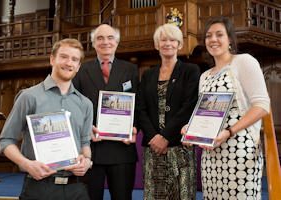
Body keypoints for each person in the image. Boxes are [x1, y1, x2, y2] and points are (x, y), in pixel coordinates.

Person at [181, 17, 270, 200]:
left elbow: (262, 105)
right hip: (211, 155)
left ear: (230, 39)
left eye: (219, 34)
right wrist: (190, 129)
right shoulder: (204, 76)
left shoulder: (244, 62)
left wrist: (229, 132)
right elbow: (205, 113)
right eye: (208, 36)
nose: (213, 39)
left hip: (240, 152)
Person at [0, 38, 93, 200]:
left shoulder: (85, 104)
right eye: (63, 57)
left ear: (78, 66)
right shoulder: (29, 97)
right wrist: (27, 164)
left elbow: (85, 144)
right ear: (52, 59)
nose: (69, 63)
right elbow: (5, 141)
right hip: (39, 188)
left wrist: (87, 161)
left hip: (77, 189)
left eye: (74, 59)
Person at [72, 24, 139, 200]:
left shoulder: (131, 70)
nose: (105, 42)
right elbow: (73, 107)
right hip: (91, 150)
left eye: (110, 37)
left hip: (122, 150)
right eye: (100, 38)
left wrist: (135, 128)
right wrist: (86, 129)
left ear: (117, 42)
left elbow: (138, 104)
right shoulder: (81, 70)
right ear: (93, 43)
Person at [137, 23, 200, 200]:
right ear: (157, 45)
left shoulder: (190, 71)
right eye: (163, 40)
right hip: (153, 149)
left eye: (173, 40)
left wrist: (164, 137)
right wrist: (153, 138)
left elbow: (189, 106)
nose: (168, 43)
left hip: (179, 149)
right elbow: (141, 109)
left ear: (180, 44)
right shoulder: (148, 74)